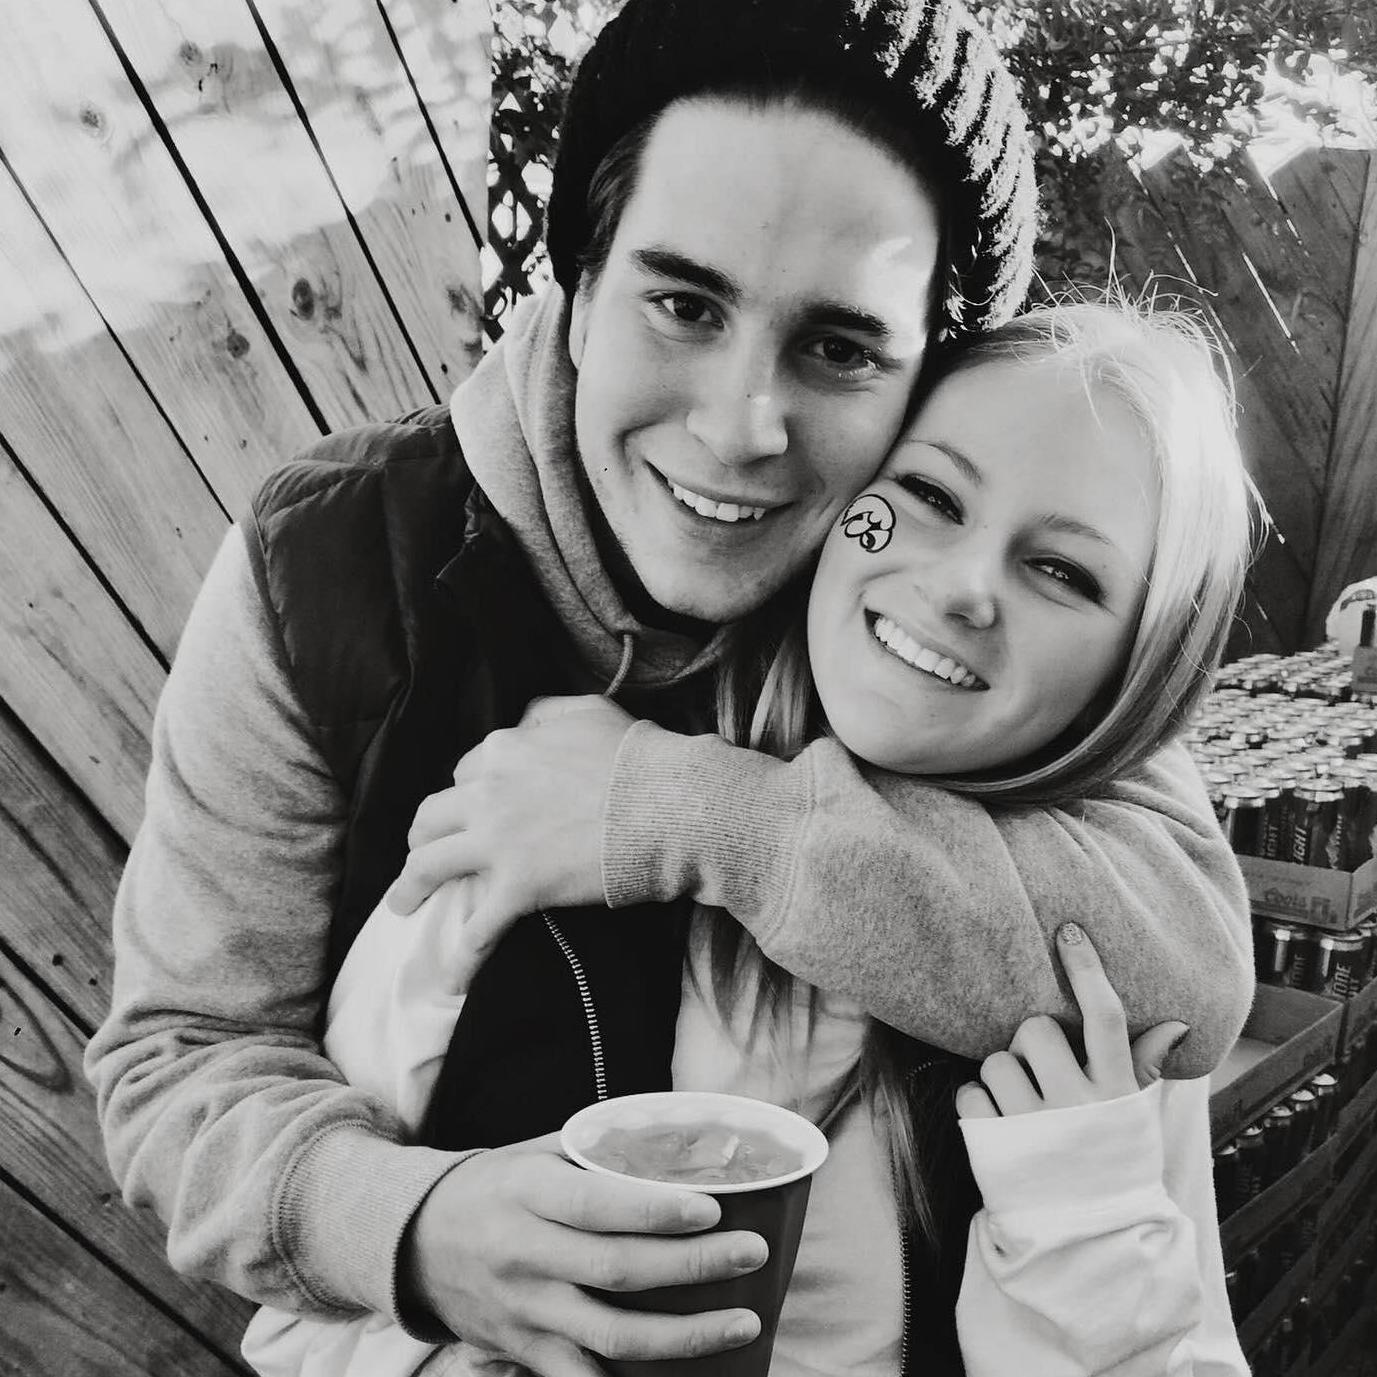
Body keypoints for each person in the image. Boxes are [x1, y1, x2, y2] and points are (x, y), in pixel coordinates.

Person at [85, 2, 1254, 1374]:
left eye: (839, 348)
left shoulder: (928, 604)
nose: (740, 428)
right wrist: (418, 1227)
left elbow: (1178, 958)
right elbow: (183, 1054)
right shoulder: (329, 567)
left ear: (928, 379)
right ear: (578, 290)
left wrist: (682, 813)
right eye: (684, 304)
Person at [240, 299, 1254, 1377]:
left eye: (1064, 573)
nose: (963, 586)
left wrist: (1086, 1245)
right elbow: (311, 1322)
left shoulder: (1097, 988)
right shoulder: (549, 809)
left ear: (1139, 672)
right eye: (926, 494)